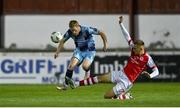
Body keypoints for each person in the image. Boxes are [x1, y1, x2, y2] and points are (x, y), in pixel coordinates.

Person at [64, 16, 159, 100]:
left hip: (127, 82)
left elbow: (156, 71)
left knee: (107, 96)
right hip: (121, 73)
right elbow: (127, 36)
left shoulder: (147, 58)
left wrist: (151, 75)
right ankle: (76, 84)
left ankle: (125, 96)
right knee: (100, 78)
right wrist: (121, 24)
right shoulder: (134, 49)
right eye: (133, 47)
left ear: (141, 49)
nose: (133, 48)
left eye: (136, 48)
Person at [54, 20, 108, 89]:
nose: (73, 32)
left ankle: (87, 71)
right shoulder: (69, 32)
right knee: (71, 66)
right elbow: (62, 41)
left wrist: (105, 44)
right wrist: (57, 52)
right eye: (72, 30)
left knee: (85, 66)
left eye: (74, 30)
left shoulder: (86, 30)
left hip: (90, 51)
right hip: (79, 51)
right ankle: (65, 85)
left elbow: (101, 32)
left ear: (78, 26)